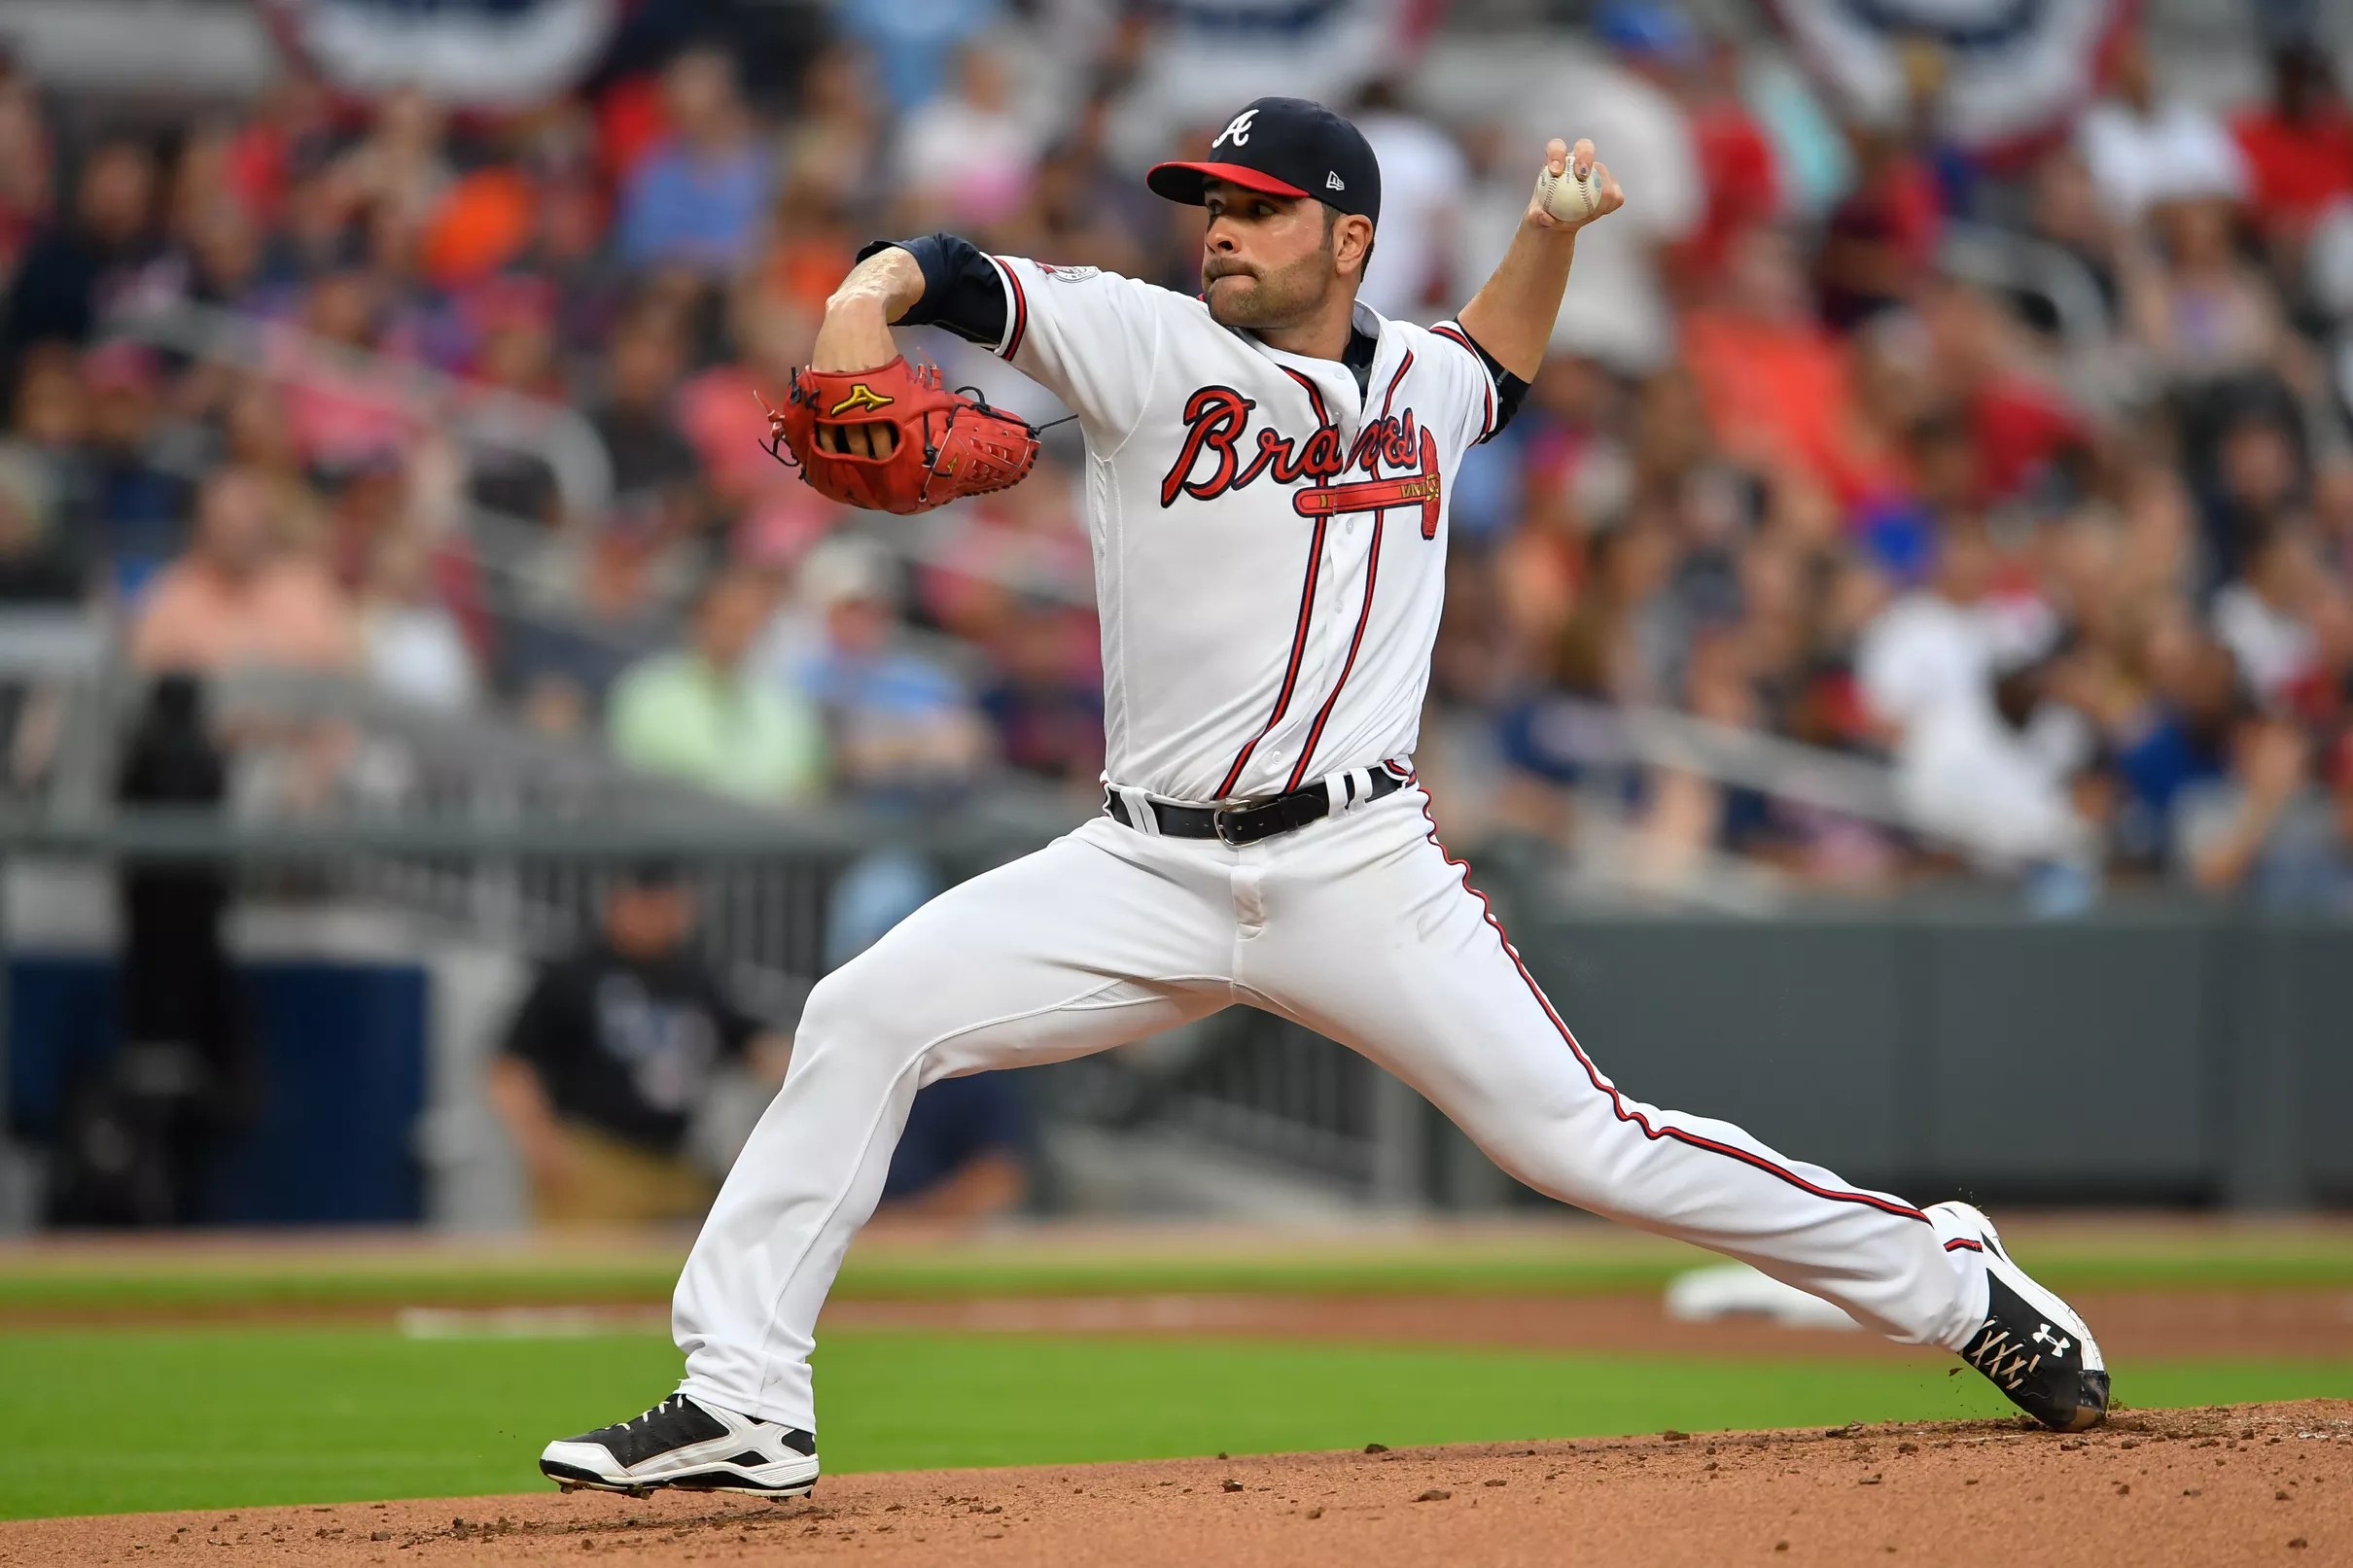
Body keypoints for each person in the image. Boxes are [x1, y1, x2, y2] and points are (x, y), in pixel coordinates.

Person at [540, 98, 2108, 1502]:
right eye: (1210, 203)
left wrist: (1544, 237)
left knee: (1589, 1144)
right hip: (1139, 865)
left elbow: (1498, 359)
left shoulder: (1420, 375)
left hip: (1364, 865)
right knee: (866, 1012)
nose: (1220, 226)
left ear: (1347, 236)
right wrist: (857, 301)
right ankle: (744, 1397)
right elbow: (953, 270)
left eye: (1257, 205)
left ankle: (1952, 1277)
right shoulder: (1139, 339)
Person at [488, 861, 792, 1227]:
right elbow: (512, 1065)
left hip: (676, 1162)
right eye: (645, 903)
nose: (657, 916)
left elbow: (755, 1047)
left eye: (668, 904)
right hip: (596, 1159)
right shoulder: (575, 974)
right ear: (617, 904)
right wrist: (542, 1146)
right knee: (589, 1278)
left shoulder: (695, 978)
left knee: (682, 1275)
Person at [608, 572, 827, 802]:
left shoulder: (785, 706)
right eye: (729, 619)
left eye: (750, 623)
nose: (736, 634)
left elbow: (804, 785)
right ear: (701, 619)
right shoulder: (649, 689)